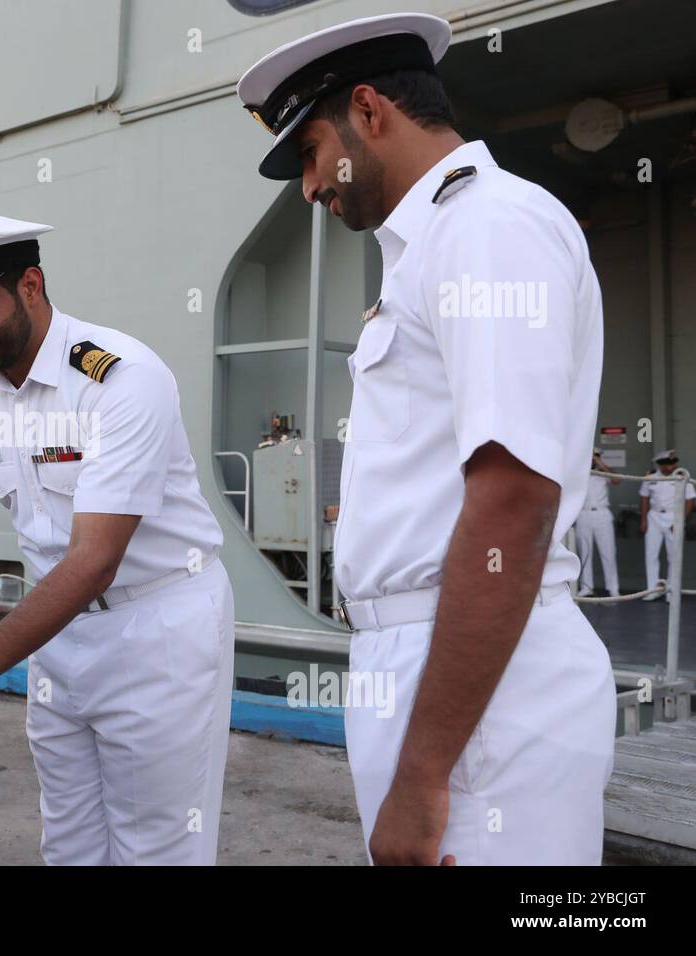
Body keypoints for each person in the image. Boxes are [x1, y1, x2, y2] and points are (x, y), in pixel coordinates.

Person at [236, 12, 614, 864]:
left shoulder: (487, 229)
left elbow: (514, 498)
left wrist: (424, 770)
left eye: (308, 154)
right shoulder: (434, 245)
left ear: (369, 111)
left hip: (483, 691)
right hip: (430, 666)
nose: (308, 188)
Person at [0, 215, 235, 865]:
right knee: (70, 844)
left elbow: (93, 563)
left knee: (156, 848)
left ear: (31, 284)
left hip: (157, 633)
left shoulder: (121, 380)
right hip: (57, 636)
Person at [640, 448, 694, 601]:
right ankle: (652, 590)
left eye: (672, 464)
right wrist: (644, 520)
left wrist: (681, 520)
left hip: (673, 517)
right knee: (651, 554)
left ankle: (671, 592)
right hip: (654, 517)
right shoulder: (650, 478)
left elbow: (690, 500)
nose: (671, 467)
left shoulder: (682, 478)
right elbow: (644, 497)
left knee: (674, 556)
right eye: (667, 464)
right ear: (660, 465)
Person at [575, 447, 621, 597]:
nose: (592, 459)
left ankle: (613, 588)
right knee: (585, 552)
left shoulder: (604, 472)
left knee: (608, 552)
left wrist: (600, 464)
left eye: (595, 457)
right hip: (583, 514)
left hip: (602, 513)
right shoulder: (578, 472)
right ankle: (587, 586)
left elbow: (616, 480)